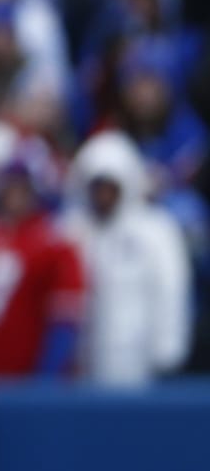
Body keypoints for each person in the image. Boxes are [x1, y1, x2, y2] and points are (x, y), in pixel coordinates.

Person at [60, 129, 190, 386]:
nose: (103, 195)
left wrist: (167, 348)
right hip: (82, 361)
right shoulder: (70, 231)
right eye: (97, 187)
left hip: (137, 359)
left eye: (111, 187)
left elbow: (170, 288)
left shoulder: (155, 230)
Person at [0, 141, 85, 379]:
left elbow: (66, 318)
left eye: (22, 189)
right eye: (9, 188)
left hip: (22, 378)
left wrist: (48, 373)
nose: (14, 196)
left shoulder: (54, 242)